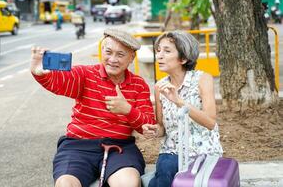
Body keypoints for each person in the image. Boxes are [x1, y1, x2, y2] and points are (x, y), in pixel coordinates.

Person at [30, 28, 155, 187]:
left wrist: (127, 110)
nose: (113, 59)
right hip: (78, 145)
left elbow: (147, 126)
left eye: (120, 54)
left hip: (120, 147)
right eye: (108, 52)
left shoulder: (139, 85)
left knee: (128, 183)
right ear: (102, 51)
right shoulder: (85, 74)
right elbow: (58, 81)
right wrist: (39, 73)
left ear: (132, 57)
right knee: (65, 184)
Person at [142, 31, 223, 187]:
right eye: (158, 50)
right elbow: (162, 128)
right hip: (171, 150)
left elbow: (210, 122)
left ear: (184, 58)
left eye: (167, 51)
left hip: (203, 151)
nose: (159, 56)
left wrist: (179, 101)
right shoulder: (159, 86)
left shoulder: (202, 79)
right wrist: (154, 130)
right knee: (166, 170)